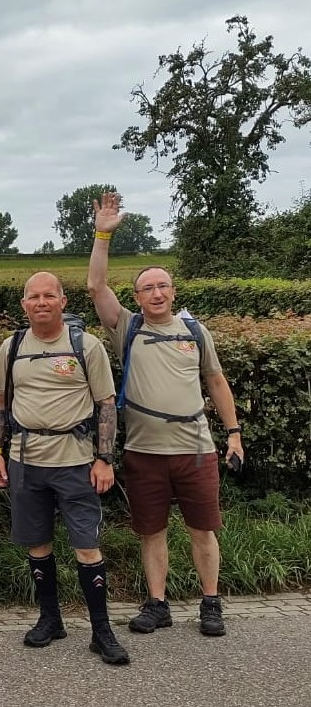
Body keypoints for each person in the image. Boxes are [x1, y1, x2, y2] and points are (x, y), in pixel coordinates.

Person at [87, 191, 244, 637]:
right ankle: (157, 604)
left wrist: (233, 433)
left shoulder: (195, 331)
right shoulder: (127, 329)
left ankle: (210, 603)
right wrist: (103, 234)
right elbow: (96, 287)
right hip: (143, 451)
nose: (156, 292)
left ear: (173, 292)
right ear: (136, 297)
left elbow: (215, 381)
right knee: (150, 532)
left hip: (196, 450)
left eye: (162, 285)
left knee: (203, 530)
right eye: (147, 287)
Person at [0, 272, 129, 665]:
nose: (41, 302)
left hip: (77, 462)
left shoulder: (87, 346)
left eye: (49, 295)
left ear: (63, 302)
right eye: (34, 296)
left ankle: (102, 631)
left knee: (87, 545)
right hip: (25, 459)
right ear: (23, 304)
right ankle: (50, 619)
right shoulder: (12, 347)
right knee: (38, 543)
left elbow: (105, 404)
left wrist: (105, 459)